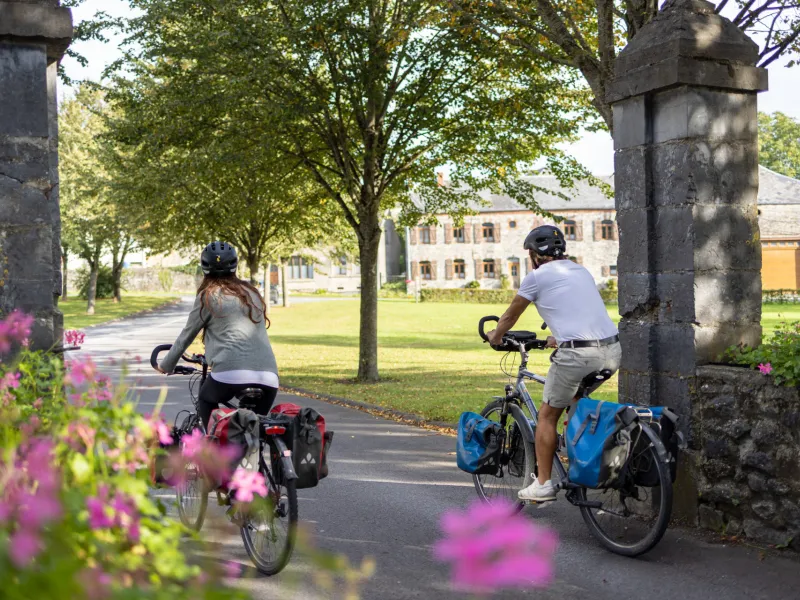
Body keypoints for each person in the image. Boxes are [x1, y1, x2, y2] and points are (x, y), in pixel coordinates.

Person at [486, 225, 620, 502]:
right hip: (611, 351)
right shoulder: (580, 270)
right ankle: (581, 462)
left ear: (535, 255)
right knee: (574, 402)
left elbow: (510, 317)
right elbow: (576, 310)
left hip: (577, 356)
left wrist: (495, 336)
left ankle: (544, 484)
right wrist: (557, 337)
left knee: (547, 416)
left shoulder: (536, 277)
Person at [158, 242, 279, 428]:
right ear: (234, 265)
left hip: (230, 374)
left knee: (206, 399)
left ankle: (213, 452)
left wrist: (166, 365)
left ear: (205, 268)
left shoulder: (208, 295)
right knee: (255, 431)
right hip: (269, 376)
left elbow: (187, 335)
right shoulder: (252, 293)